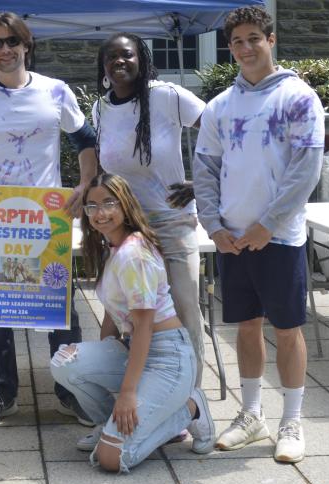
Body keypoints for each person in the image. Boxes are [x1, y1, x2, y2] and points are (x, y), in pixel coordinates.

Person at [0, 11, 98, 427]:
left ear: (27, 45)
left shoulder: (56, 92)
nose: (5, 50)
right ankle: (0, 393)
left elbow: (85, 140)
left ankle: (71, 390)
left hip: (47, 220)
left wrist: (84, 187)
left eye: (13, 41)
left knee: (60, 310)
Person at [193, 5, 324, 464]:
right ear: (229, 49)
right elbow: (204, 169)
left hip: (279, 237)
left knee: (287, 330)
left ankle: (292, 420)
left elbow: (305, 168)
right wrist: (213, 225)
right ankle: (252, 416)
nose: (246, 48)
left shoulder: (298, 97)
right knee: (245, 327)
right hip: (231, 238)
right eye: (237, 42)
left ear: (271, 41)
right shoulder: (219, 106)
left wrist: (268, 224)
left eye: (254, 38)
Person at [50, 172, 215, 472]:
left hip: (168, 359)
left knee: (111, 459)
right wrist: (104, 356)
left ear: (125, 205)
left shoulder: (133, 255)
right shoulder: (111, 247)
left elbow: (144, 328)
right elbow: (113, 314)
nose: (100, 213)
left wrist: (126, 394)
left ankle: (191, 409)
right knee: (65, 361)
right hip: (138, 348)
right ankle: (110, 425)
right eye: (92, 206)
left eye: (109, 203)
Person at [92, 32, 207, 386]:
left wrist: (202, 183)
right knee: (125, 311)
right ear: (103, 66)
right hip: (125, 228)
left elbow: (221, 131)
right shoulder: (100, 109)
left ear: (141, 59)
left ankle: (190, 401)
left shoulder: (168, 97)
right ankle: (139, 392)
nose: (119, 61)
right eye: (111, 57)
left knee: (184, 309)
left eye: (126, 54)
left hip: (170, 223)